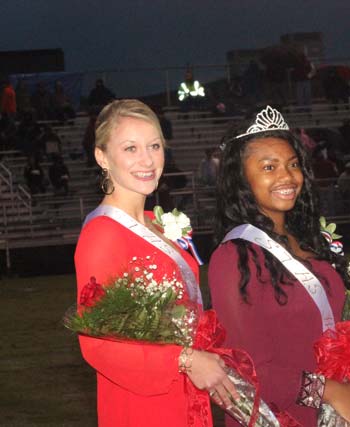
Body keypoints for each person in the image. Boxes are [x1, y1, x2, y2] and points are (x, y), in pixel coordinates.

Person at [74, 99, 235, 427]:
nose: (147, 160)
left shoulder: (160, 223)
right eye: (130, 148)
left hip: (186, 391)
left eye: (154, 146)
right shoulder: (102, 234)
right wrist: (186, 359)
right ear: (102, 157)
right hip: (143, 401)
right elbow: (97, 343)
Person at [208, 106, 350, 427]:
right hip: (276, 417)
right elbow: (245, 371)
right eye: (269, 167)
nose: (287, 176)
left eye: (293, 165)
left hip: (337, 409)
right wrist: (327, 391)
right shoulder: (234, 257)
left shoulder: (311, 242)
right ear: (241, 177)